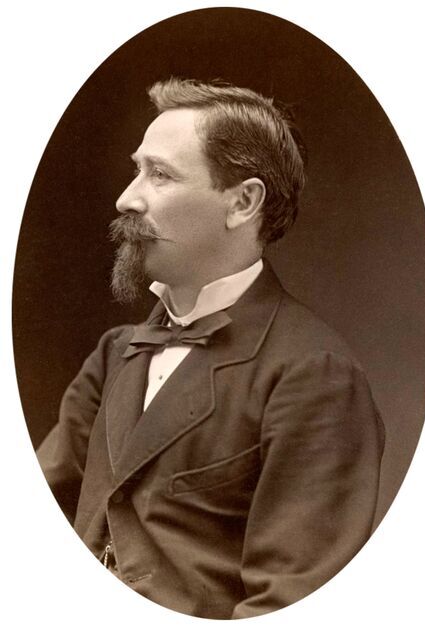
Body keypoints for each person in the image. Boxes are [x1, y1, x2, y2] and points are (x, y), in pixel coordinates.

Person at [37, 78, 385, 619]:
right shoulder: (116, 354)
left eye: (160, 174)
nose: (127, 198)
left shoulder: (314, 375)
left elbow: (290, 607)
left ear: (243, 202)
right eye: (137, 169)